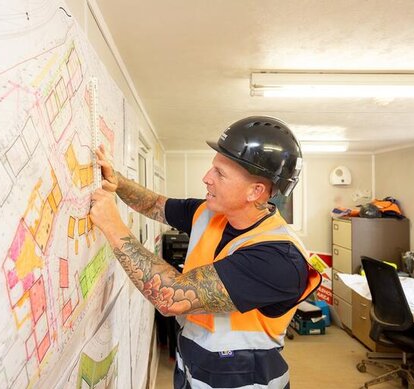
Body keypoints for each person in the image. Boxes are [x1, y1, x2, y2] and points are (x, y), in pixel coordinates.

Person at [89, 116, 321, 389]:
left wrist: (112, 225)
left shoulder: (279, 258)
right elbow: (154, 204)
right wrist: (119, 182)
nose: (206, 178)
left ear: (255, 191)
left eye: (220, 173)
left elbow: (172, 298)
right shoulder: (211, 213)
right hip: (192, 364)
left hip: (244, 377)